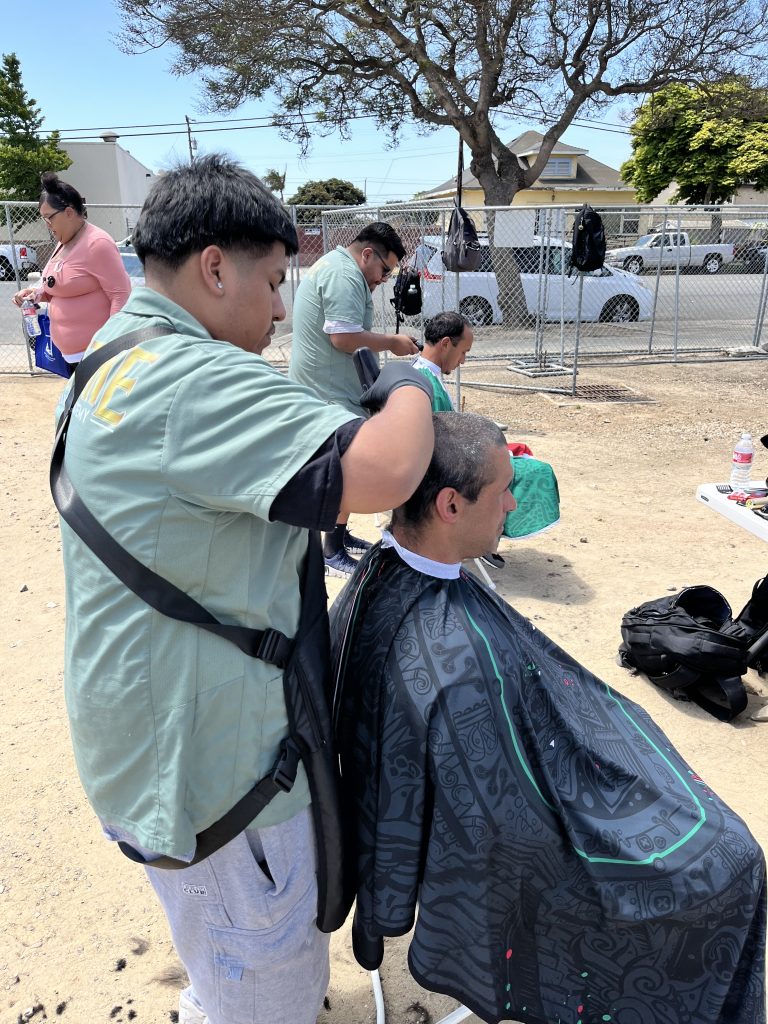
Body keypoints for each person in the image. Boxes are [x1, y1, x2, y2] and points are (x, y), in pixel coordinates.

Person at [55, 154, 435, 1024]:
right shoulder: (191, 380)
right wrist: (409, 381)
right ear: (215, 268)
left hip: (144, 730)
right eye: (271, 283)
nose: (278, 310)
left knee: (216, 943)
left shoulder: (113, 355)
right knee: (267, 982)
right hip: (213, 776)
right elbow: (386, 468)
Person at [330, 411, 766, 1024]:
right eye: (503, 489)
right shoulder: (454, 664)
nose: (512, 505)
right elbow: (511, 835)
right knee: (734, 863)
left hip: (551, 746)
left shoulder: (384, 574)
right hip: (552, 805)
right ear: (450, 505)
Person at [289, 222, 421, 579]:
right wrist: (392, 342)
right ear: (367, 254)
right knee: (344, 470)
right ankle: (331, 553)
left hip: (331, 388)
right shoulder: (344, 275)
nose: (384, 279)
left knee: (342, 467)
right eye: (385, 270)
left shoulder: (340, 268)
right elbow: (343, 338)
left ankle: (339, 536)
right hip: (327, 392)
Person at [414, 311, 559, 561]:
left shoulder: (424, 374)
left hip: (449, 457)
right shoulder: (428, 384)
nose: (463, 361)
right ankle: (484, 536)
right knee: (536, 472)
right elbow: (440, 445)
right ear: (446, 344)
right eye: (463, 352)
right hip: (448, 468)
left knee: (521, 456)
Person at [13, 172, 131, 369]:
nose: (47, 225)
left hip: (96, 356)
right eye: (43, 219)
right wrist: (34, 294)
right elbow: (57, 286)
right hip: (69, 356)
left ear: (68, 212)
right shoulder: (63, 242)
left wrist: (109, 346)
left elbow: (121, 295)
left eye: (49, 218)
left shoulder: (97, 243)